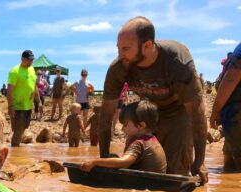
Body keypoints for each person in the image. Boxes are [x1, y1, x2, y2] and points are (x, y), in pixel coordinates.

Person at [99, 16, 208, 183]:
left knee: (176, 175)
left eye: (126, 49)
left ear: (147, 45)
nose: (120, 55)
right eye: (118, 49)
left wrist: (200, 161)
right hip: (148, 113)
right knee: (143, 169)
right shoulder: (118, 67)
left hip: (179, 111)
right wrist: (104, 156)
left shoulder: (177, 61)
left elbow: (197, 113)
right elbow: (106, 115)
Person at [82, 100, 166, 173]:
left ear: (141, 125)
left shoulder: (138, 143)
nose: (122, 129)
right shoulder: (153, 139)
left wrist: (94, 162)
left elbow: (124, 162)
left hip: (144, 184)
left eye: (125, 125)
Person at [210, 42, 241, 171]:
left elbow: (232, 77)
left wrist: (215, 112)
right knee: (229, 158)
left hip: (236, 116)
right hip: (233, 117)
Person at [7, 50, 39, 147]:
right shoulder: (15, 71)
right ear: (22, 59)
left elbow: (34, 86)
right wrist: (10, 106)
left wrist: (39, 101)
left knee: (23, 129)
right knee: (18, 131)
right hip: (18, 106)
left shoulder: (32, 69)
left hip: (28, 106)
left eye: (32, 60)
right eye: (29, 60)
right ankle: (15, 154)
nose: (31, 62)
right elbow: (10, 90)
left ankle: (16, 151)